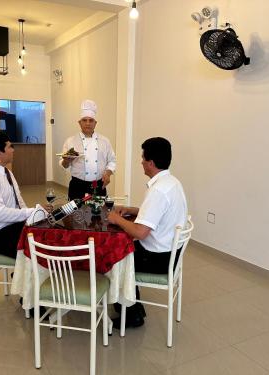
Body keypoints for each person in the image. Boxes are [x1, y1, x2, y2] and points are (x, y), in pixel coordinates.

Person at [107, 137, 188, 328]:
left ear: (150, 163)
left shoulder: (158, 191)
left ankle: (131, 314)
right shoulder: (172, 182)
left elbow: (140, 233)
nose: (141, 161)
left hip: (158, 257)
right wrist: (130, 210)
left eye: (143, 158)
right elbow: (157, 214)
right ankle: (133, 306)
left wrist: (116, 218)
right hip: (170, 252)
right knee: (124, 250)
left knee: (115, 257)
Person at [0, 131, 51, 259]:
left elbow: (19, 201)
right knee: (42, 249)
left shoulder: (6, 172)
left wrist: (33, 218)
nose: (13, 150)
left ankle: (28, 276)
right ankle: (26, 277)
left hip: (14, 226)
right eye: (9, 147)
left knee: (50, 234)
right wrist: (31, 212)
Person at [60, 99, 116, 200]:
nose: (88, 123)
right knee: (76, 214)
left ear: (95, 123)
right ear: (79, 123)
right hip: (77, 186)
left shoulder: (105, 141)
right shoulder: (70, 141)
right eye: (84, 120)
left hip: (98, 185)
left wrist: (108, 174)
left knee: (99, 214)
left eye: (91, 120)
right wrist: (66, 160)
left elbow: (112, 161)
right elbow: (64, 165)